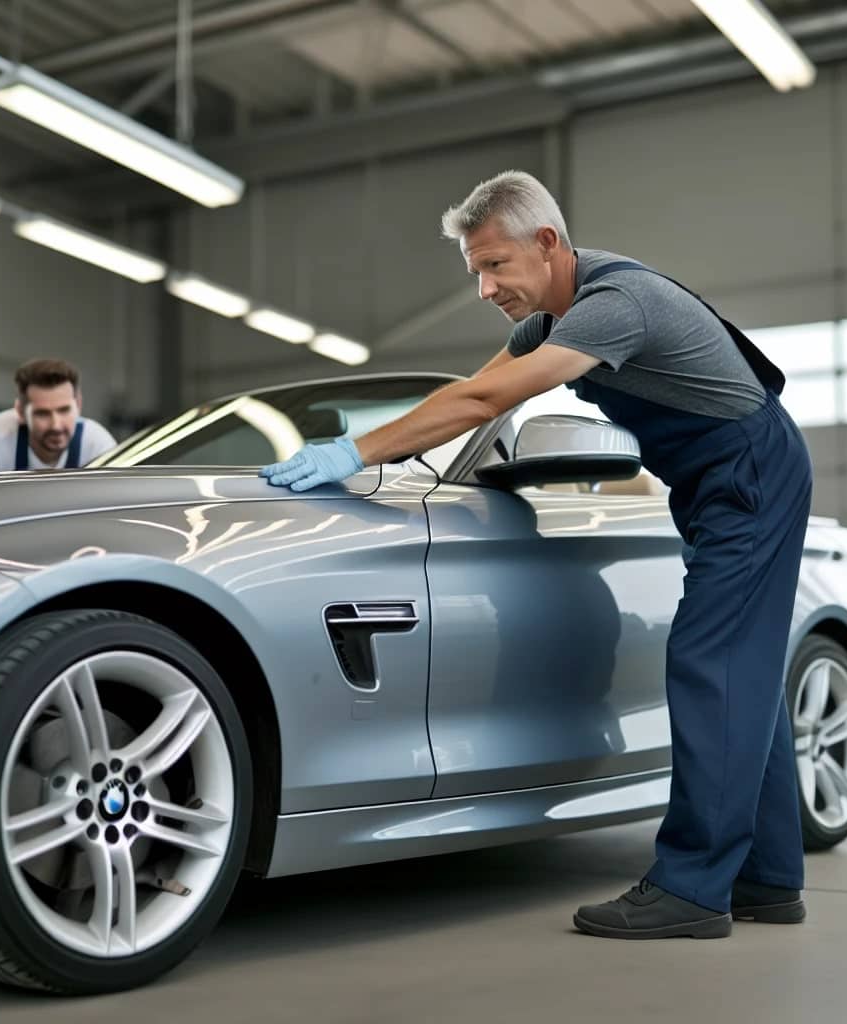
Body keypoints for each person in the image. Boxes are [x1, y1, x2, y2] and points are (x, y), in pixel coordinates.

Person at [259, 170, 815, 941]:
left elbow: (484, 402)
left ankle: (692, 889)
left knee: (711, 663)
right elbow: (470, 395)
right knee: (739, 670)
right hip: (714, 480)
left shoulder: (617, 305)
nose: (485, 288)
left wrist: (353, 454)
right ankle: (768, 878)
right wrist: (371, 446)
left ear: (548, 243)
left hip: (749, 469)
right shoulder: (544, 326)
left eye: (495, 265)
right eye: (475, 271)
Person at [0, 358, 116, 472]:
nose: (56, 425)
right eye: (42, 414)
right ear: (21, 412)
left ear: (78, 405)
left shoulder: (98, 446)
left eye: (64, 410)